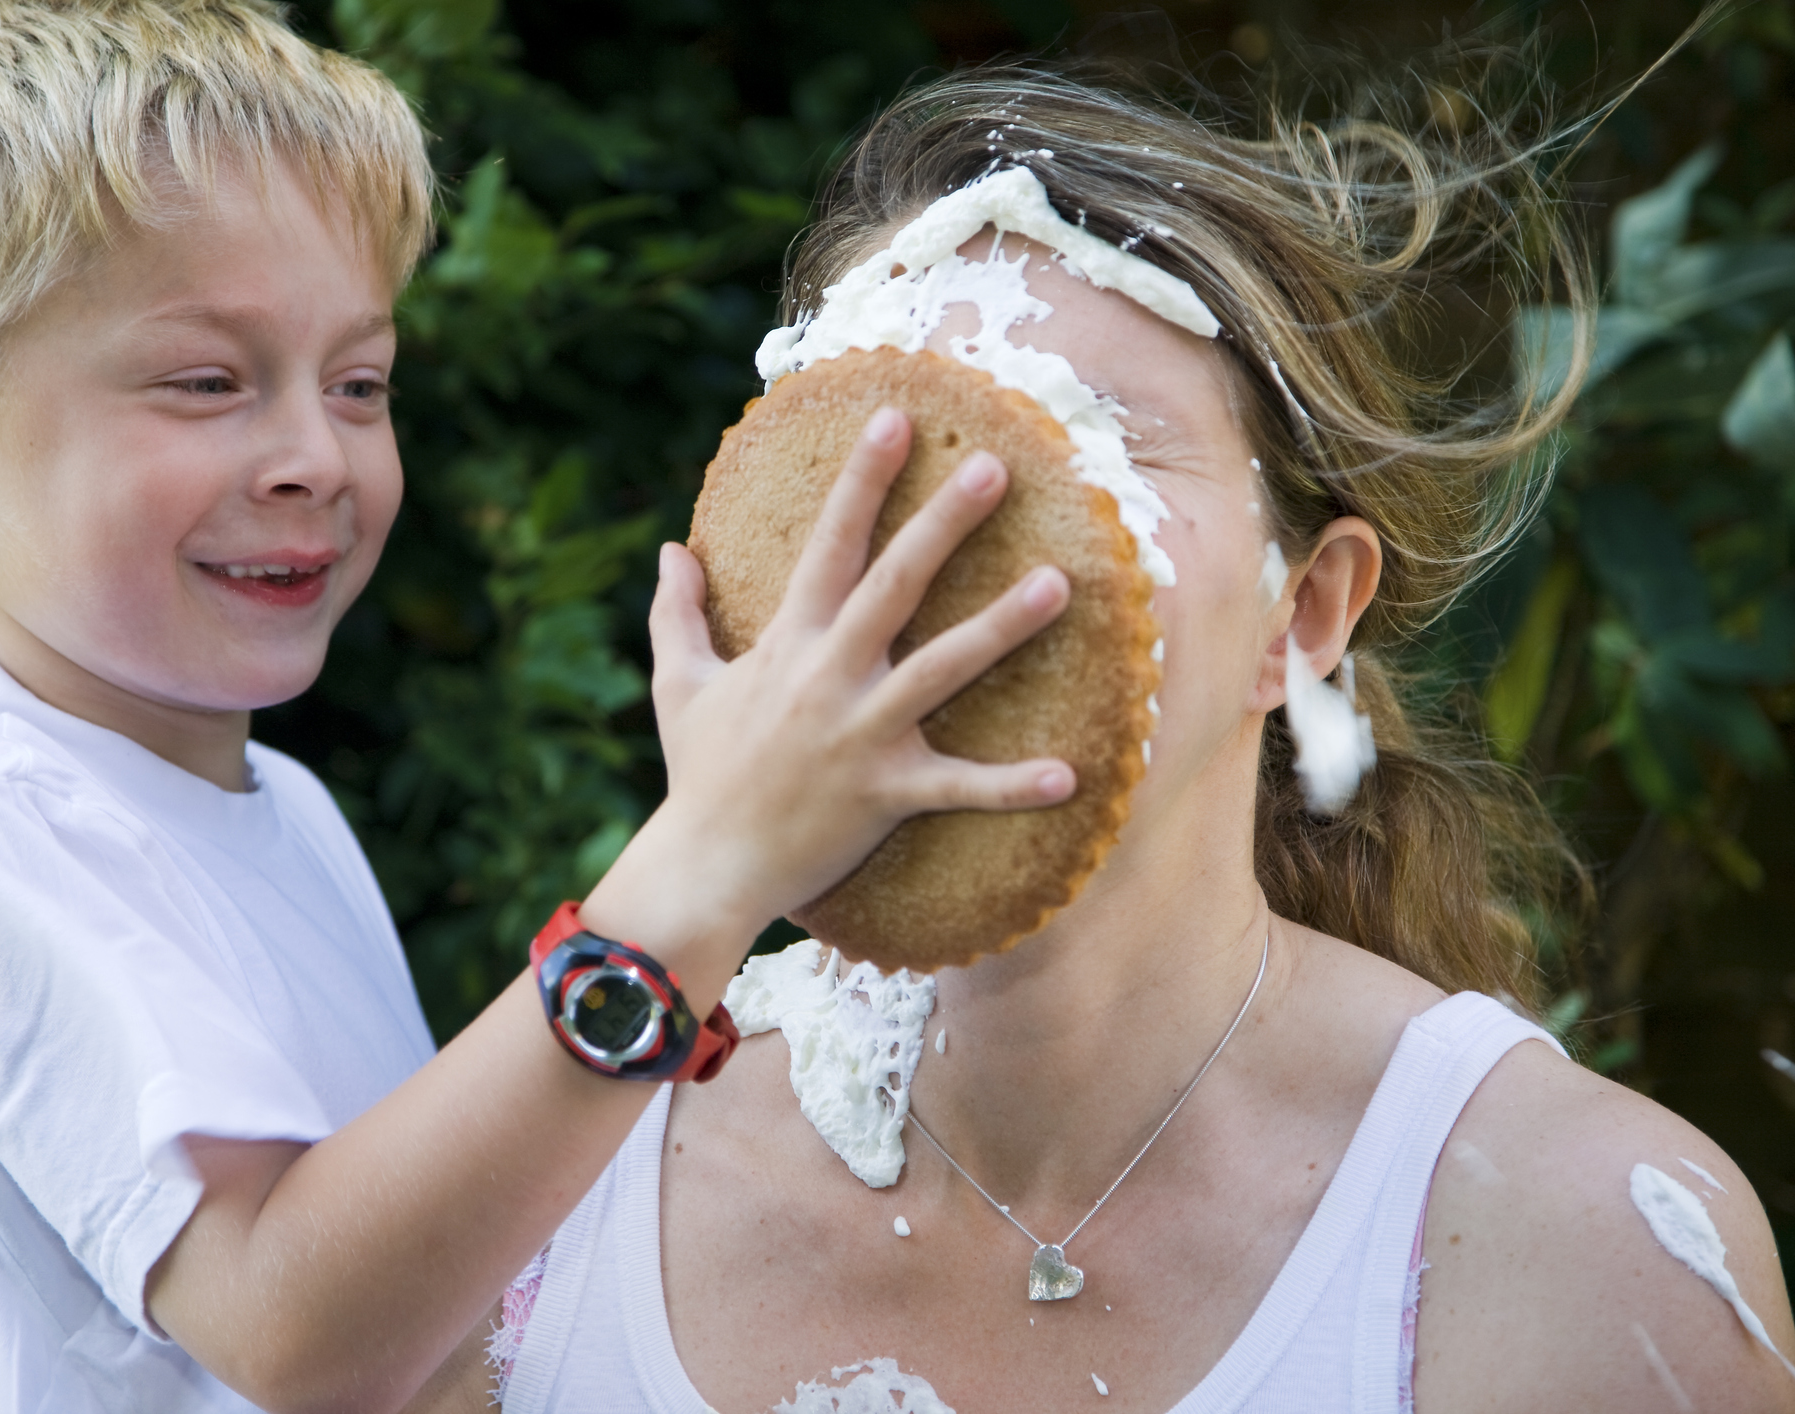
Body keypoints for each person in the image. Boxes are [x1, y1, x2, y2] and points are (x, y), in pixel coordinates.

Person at [411, 62, 1795, 1414]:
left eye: (1086, 430)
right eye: (878, 441)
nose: (949, 517)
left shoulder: (1571, 1250)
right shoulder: (529, 1197)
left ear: (1301, 615)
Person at [0, 3, 1083, 1410]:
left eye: (358, 381)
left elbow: (442, 1328)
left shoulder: (284, 813)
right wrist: (707, 863)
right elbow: (302, 1335)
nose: (311, 456)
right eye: (206, 380)